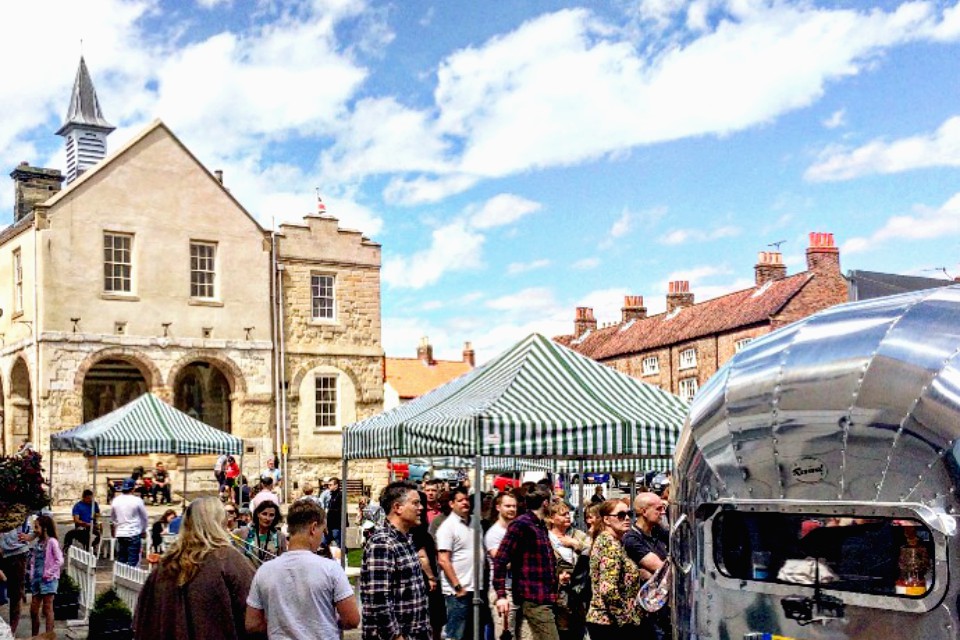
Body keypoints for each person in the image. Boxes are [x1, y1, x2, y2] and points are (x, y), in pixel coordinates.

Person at [133, 496, 256, 640]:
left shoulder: (165, 563)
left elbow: (143, 619)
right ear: (218, 522)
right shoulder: (228, 559)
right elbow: (253, 613)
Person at [245, 500, 360, 639]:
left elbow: (253, 624)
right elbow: (352, 619)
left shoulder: (264, 570)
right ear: (313, 528)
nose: (322, 537)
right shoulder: (330, 569)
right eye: (322, 531)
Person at [360, 481, 431, 640]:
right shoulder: (383, 543)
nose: (421, 508)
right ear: (398, 507)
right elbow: (379, 600)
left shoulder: (405, 540)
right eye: (415, 503)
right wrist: (396, 636)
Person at [493, 487, 559, 640]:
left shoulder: (539, 525)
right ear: (545, 503)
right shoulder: (522, 525)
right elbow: (500, 559)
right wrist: (501, 595)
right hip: (533, 597)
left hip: (544, 596)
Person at [585, 500, 645, 639]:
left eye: (629, 514)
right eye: (621, 515)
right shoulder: (609, 544)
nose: (627, 518)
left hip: (609, 622)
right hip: (609, 623)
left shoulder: (612, 541)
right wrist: (625, 618)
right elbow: (608, 589)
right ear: (606, 519)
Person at [624, 493, 671, 640]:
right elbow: (662, 570)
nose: (663, 512)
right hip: (648, 611)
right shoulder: (632, 539)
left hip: (663, 608)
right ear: (644, 511)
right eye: (659, 508)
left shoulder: (657, 531)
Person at [436, 487, 477, 640]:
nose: (465, 503)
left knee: (470, 634)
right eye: (460, 500)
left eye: (466, 499)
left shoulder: (474, 523)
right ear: (452, 504)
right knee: (455, 634)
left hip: (474, 588)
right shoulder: (447, 527)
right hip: (458, 591)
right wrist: (457, 586)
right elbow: (443, 560)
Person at [485, 492, 525, 640]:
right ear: (498, 507)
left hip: (519, 588)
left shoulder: (517, 529)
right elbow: (503, 563)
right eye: (507, 506)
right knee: (505, 635)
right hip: (502, 590)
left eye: (514, 506)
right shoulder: (494, 533)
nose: (512, 509)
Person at [548, 500, 589, 640]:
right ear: (551, 518)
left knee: (577, 630)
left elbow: (592, 550)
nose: (567, 517)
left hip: (576, 591)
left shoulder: (578, 535)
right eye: (562, 514)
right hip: (556, 592)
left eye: (568, 514)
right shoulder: (546, 537)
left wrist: (574, 544)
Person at [410, 491, 445, 640]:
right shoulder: (418, 530)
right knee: (433, 618)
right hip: (425, 580)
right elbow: (422, 555)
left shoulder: (418, 528)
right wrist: (431, 577)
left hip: (422, 579)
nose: (421, 507)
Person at [28, 514, 63, 637]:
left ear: (45, 528)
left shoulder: (52, 542)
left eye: (37, 527)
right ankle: (35, 635)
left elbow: (59, 560)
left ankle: (49, 636)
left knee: (47, 608)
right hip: (37, 579)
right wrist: (32, 575)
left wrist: (49, 573)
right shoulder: (38, 543)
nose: (35, 530)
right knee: (33, 609)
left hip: (49, 580)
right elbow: (33, 560)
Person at [0, 517, 29, 635]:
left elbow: (41, 518)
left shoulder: (18, 507)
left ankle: (11, 631)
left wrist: (30, 536)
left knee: (16, 593)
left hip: (17, 553)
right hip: (1, 554)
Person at [112, 477, 149, 567]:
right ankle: (130, 579)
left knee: (122, 558)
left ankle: (120, 578)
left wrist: (118, 526)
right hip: (133, 532)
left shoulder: (116, 500)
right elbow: (144, 517)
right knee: (133, 560)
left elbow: (113, 517)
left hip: (121, 533)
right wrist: (143, 530)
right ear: (133, 489)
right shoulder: (137, 500)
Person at [63, 489, 100, 554]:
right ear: (84, 497)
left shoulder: (94, 504)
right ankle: (87, 549)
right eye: (88, 498)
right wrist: (85, 524)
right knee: (73, 534)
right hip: (83, 526)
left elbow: (98, 514)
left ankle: (93, 547)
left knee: (100, 534)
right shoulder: (78, 506)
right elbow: (76, 520)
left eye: (91, 498)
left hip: (93, 526)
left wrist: (96, 516)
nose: (90, 500)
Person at [324, 477, 343, 549]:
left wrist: (329, 510)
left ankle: (343, 558)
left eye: (330, 485)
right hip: (330, 525)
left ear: (336, 485)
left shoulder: (340, 495)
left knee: (339, 545)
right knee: (324, 543)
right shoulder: (332, 495)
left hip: (336, 525)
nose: (328, 487)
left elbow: (340, 510)